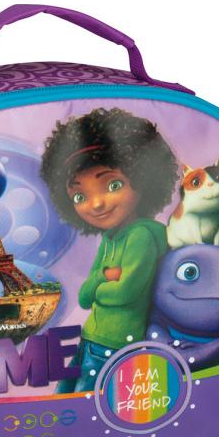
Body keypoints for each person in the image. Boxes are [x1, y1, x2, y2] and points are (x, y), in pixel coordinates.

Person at [40, 107, 178, 391]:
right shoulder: (111, 238)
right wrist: (105, 277)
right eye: (79, 196)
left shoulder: (141, 236)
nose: (96, 204)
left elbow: (124, 293)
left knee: (84, 400)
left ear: (144, 179)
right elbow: (84, 297)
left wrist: (99, 284)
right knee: (63, 395)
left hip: (115, 344)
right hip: (91, 336)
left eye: (113, 185)